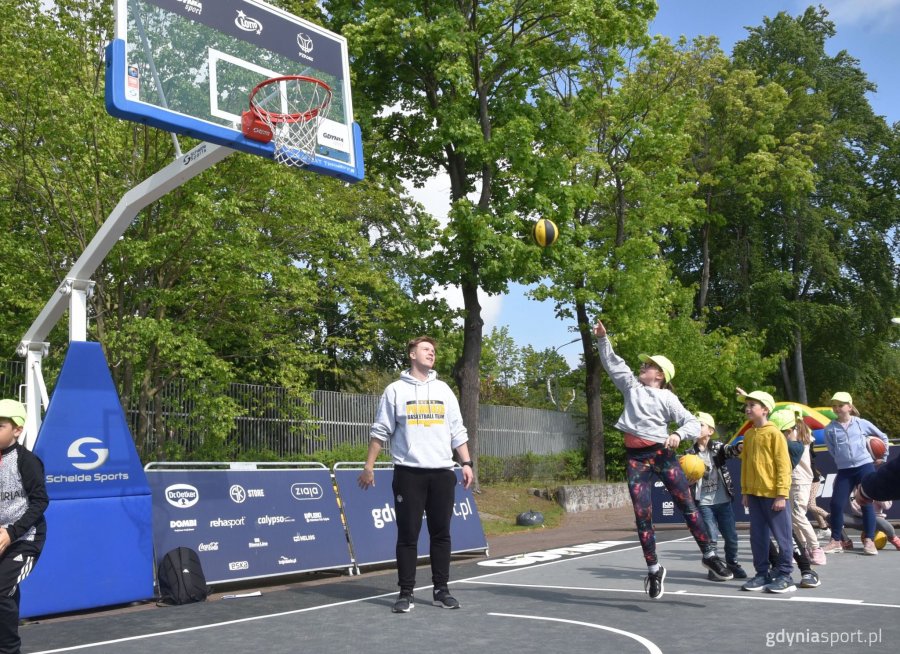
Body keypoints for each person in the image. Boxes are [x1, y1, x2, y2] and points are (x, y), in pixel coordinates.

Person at [593, 320, 732, 601]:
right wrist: (602, 339)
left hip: (662, 454)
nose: (642, 367)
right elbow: (612, 363)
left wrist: (679, 434)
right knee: (642, 516)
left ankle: (710, 555)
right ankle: (654, 569)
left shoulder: (667, 397)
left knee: (688, 506)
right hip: (636, 459)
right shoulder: (631, 387)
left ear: (660, 375)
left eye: (649, 365)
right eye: (644, 365)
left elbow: (692, 422)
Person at [357, 337, 474, 613]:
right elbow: (380, 431)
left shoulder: (444, 390)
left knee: (441, 534)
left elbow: (458, 430)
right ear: (412, 354)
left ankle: (440, 590)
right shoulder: (395, 391)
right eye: (425, 349)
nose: (431, 353)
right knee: (408, 535)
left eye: (433, 350)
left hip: (443, 473)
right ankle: (406, 593)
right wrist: (369, 466)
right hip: (409, 474)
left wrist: (466, 462)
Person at [0, 399, 48, 654]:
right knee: (5, 591)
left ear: (17, 430)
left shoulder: (26, 461)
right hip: (3, 534)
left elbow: (41, 501)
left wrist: (11, 532)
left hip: (26, 537)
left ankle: (9, 650)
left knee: (0, 590)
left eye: (1, 426)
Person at [737, 391, 795, 593]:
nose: (748, 408)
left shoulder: (775, 434)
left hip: (773, 495)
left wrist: (781, 494)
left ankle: (786, 575)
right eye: (747, 405)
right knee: (758, 536)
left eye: (753, 404)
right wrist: (745, 491)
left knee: (783, 536)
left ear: (765, 409)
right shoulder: (749, 435)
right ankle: (762, 573)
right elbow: (745, 465)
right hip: (754, 494)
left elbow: (783, 465)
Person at [822, 392, 889, 556]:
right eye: (835, 405)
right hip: (845, 470)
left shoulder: (862, 423)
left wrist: (883, 457)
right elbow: (832, 450)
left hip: (865, 466)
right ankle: (836, 541)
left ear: (850, 407)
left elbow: (883, 437)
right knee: (836, 504)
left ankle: (869, 541)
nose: (837, 408)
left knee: (866, 503)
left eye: (841, 405)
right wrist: (842, 461)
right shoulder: (830, 429)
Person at [688, 412, 747, 579]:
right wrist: (689, 482)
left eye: (700, 424)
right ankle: (714, 567)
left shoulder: (717, 448)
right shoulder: (688, 454)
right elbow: (684, 479)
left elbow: (730, 450)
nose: (696, 427)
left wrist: (740, 446)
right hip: (704, 502)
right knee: (711, 537)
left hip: (723, 500)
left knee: (731, 537)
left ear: (710, 431)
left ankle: (732, 564)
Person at [781, 407, 826, 566]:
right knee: (794, 517)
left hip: (799, 479)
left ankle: (816, 548)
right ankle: (803, 548)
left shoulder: (796, 431)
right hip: (795, 479)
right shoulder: (800, 430)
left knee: (798, 515)